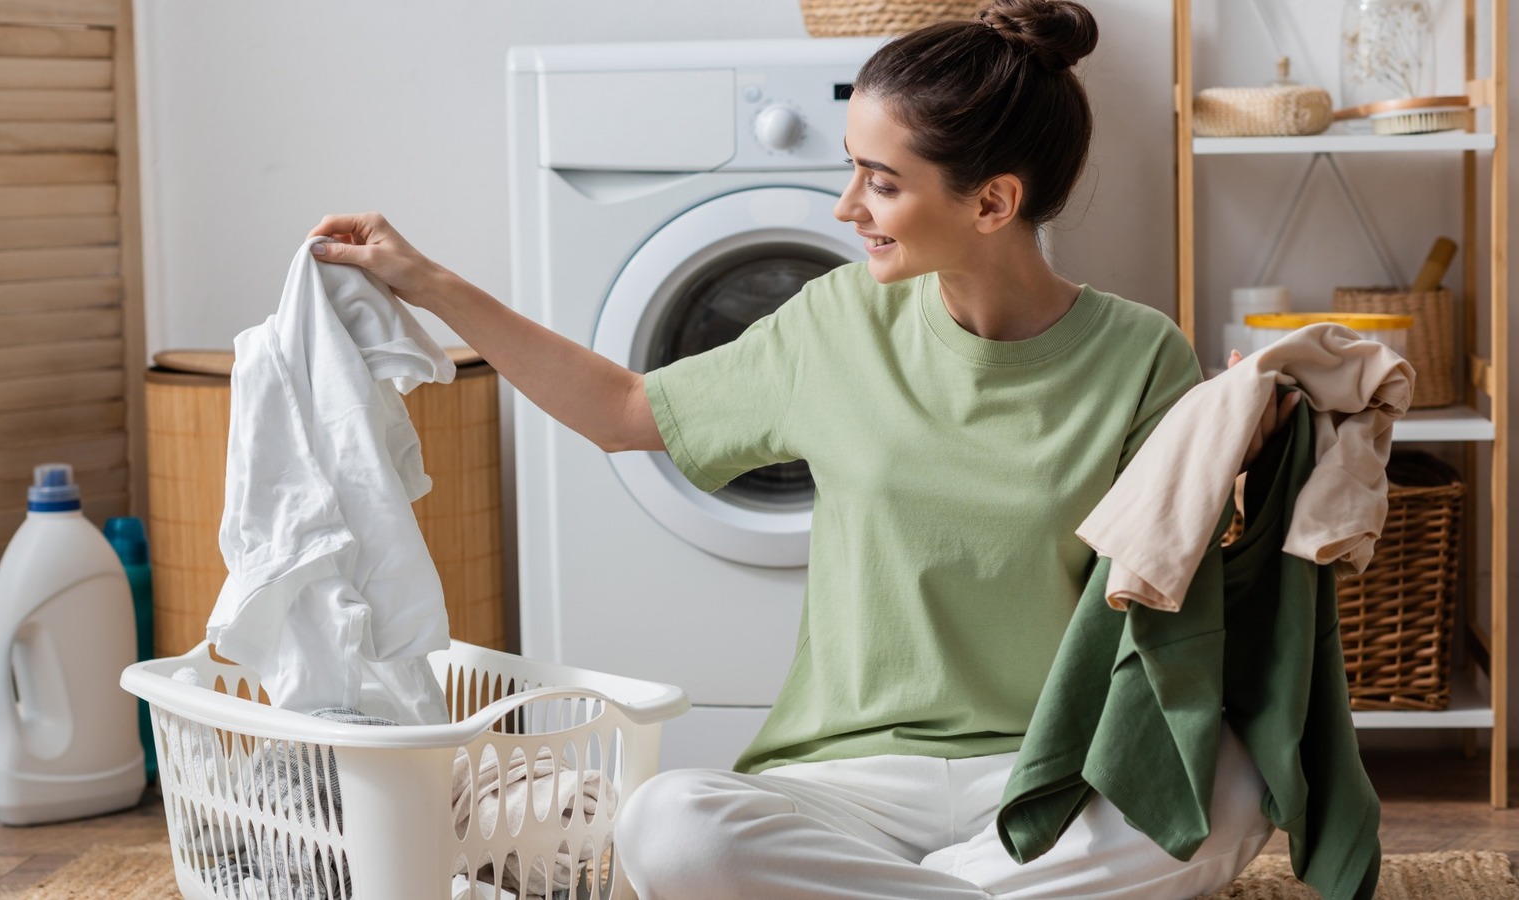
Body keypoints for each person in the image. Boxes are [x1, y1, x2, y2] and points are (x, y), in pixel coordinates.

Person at [309, 1, 1298, 895]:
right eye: (851, 171)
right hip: (848, 782)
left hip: (1051, 767)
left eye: (878, 182)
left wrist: (1248, 446)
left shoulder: (1138, 356)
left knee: (1233, 787)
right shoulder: (835, 322)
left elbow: (1175, 583)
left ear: (991, 203)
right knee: (672, 826)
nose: (843, 207)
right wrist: (428, 282)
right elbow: (621, 408)